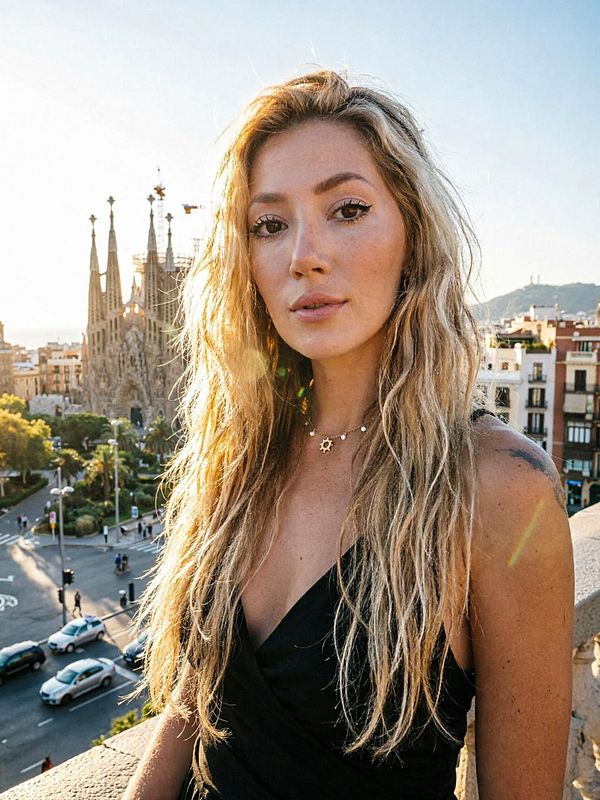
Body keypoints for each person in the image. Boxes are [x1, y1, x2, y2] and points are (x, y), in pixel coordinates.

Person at [124, 71, 574, 800]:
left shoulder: (497, 490)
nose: (305, 252)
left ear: (413, 235)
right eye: (270, 224)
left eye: (348, 208)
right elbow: (195, 708)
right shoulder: (241, 459)